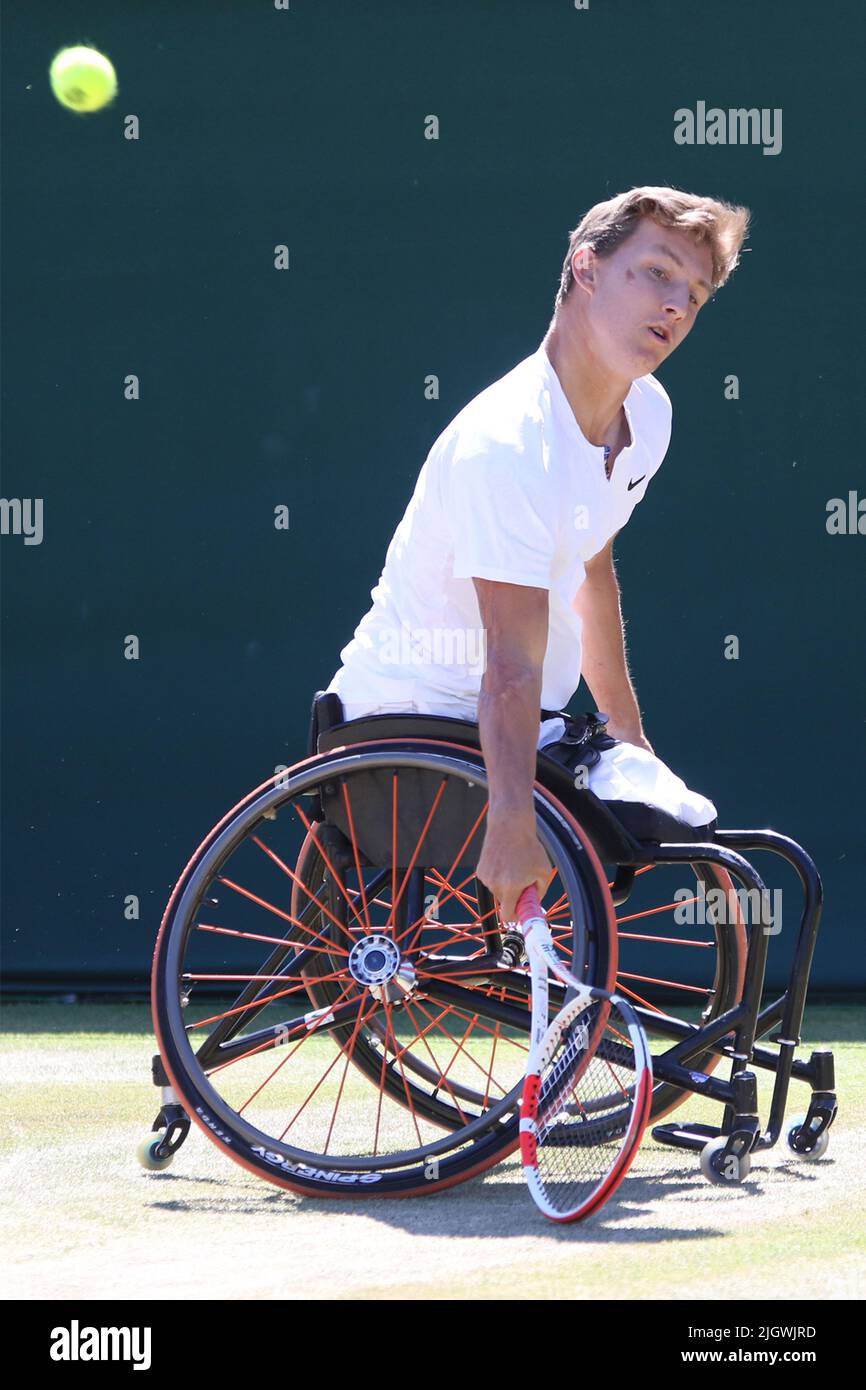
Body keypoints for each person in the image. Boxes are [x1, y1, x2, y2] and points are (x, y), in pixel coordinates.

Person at [324, 186, 750, 920]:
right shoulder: (508, 443)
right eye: (656, 272)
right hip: (408, 736)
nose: (677, 304)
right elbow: (511, 665)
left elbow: (590, 569)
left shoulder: (647, 415)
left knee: (707, 839)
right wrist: (513, 824)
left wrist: (628, 734)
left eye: (696, 291)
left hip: (516, 725)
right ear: (586, 268)